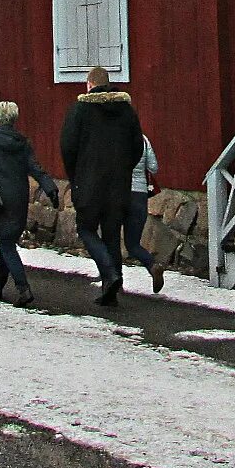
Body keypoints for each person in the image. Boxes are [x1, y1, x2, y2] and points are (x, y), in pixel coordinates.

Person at [60, 65, 144, 307]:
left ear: (89, 84)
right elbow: (137, 146)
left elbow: (67, 147)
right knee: (111, 234)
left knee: (86, 229)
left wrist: (75, 175)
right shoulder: (126, 111)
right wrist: (124, 168)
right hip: (119, 184)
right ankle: (112, 289)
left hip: (89, 183)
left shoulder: (79, 111)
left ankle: (109, 274)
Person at [0, 100, 57, 307]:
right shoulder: (22, 142)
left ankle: (23, 288)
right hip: (19, 199)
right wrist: (50, 187)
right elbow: (35, 168)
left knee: (7, 245)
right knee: (6, 243)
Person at [125, 132, 166, 293]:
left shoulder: (115, 136)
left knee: (112, 238)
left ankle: (113, 279)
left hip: (120, 193)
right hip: (140, 195)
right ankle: (152, 265)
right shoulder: (143, 139)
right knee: (133, 244)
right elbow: (154, 167)